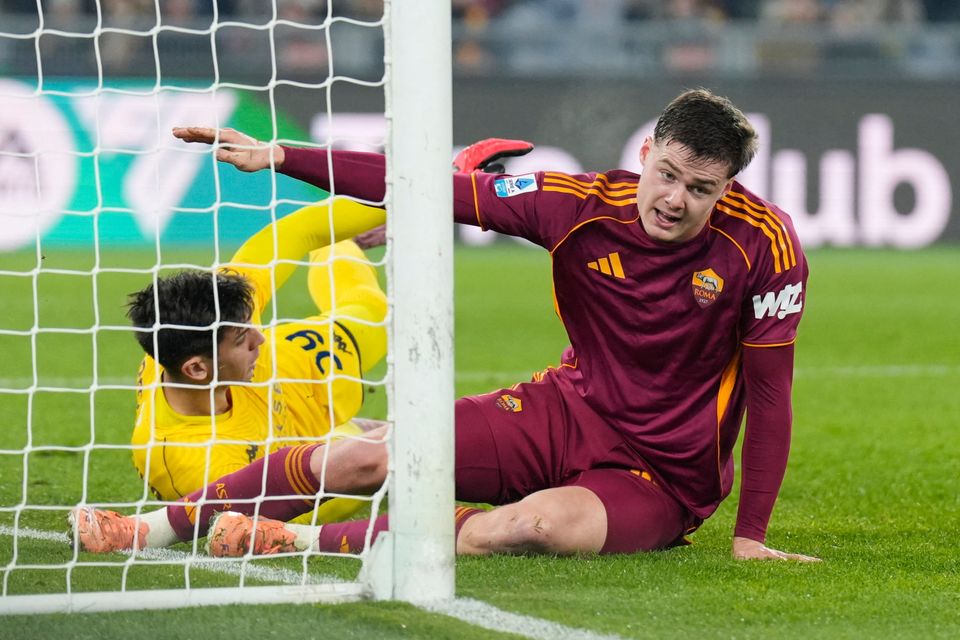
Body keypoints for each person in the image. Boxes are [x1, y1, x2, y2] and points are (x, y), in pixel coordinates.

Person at [73, 89, 818, 562]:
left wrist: (750, 534)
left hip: (661, 473)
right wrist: (279, 155)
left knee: (534, 528)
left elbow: (771, 396)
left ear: (728, 190)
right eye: (669, 174)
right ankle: (153, 529)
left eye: (702, 189)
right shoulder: (577, 203)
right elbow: (437, 189)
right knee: (375, 455)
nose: (676, 200)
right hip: (565, 410)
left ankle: (293, 539)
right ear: (647, 154)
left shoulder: (766, 248)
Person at [118, 194, 390, 529]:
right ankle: (361, 433)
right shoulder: (198, 464)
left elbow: (296, 231)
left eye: (252, 326)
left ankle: (340, 246)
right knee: (369, 473)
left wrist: (405, 193)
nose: (260, 337)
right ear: (198, 369)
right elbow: (259, 521)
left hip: (295, 372)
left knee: (372, 311)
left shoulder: (212, 310)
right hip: (294, 467)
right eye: (242, 339)